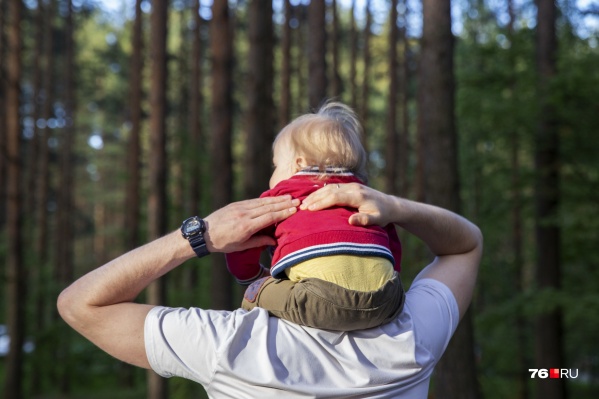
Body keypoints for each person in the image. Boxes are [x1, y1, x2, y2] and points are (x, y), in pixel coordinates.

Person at [57, 182, 482, 398]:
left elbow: (80, 304)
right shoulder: (411, 338)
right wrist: (396, 207)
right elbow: (465, 245)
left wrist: (197, 236)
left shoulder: (230, 347)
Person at [226, 102, 403, 331]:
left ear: (298, 164)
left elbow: (242, 243)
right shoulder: (364, 196)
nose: (273, 175)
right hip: (388, 301)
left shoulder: (283, 196)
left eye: (276, 166)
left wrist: (252, 273)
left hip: (320, 301)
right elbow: (392, 246)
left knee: (255, 292)